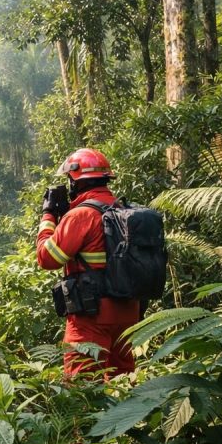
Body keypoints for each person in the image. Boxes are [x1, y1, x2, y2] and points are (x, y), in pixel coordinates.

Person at [36, 147, 139, 379]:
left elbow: (46, 258)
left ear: (75, 181)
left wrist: (48, 216)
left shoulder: (81, 215)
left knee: (82, 387)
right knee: (124, 380)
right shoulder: (124, 210)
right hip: (128, 314)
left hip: (92, 316)